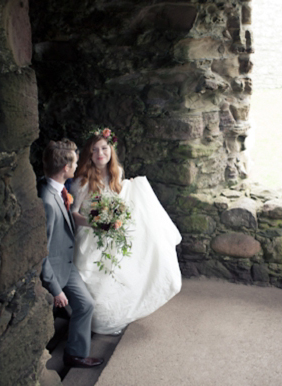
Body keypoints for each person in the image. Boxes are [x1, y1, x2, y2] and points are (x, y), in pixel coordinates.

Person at [70, 128, 182, 335]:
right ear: (89, 154)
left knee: (119, 277)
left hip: (112, 236)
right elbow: (73, 214)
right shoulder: (83, 182)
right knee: (96, 282)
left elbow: (120, 201)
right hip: (90, 237)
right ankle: (96, 322)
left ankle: (117, 315)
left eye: (104, 148)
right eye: (94, 150)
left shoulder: (117, 173)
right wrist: (94, 223)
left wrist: (118, 214)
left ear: (111, 151)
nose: (100, 154)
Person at [39, 139, 104, 368]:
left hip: (67, 264)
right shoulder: (47, 200)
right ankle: (69, 354)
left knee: (85, 304)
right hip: (55, 269)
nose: (77, 166)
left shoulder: (58, 190)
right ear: (65, 168)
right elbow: (40, 251)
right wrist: (55, 289)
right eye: (75, 163)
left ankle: (74, 353)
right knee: (81, 305)